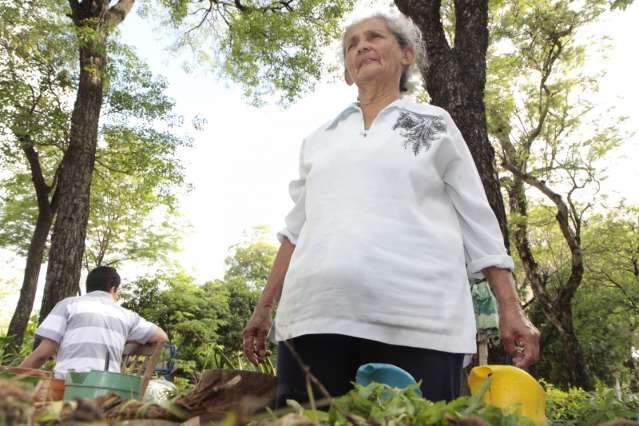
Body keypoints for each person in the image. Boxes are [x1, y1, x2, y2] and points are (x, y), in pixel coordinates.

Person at [243, 12, 540, 405]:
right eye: (352, 44)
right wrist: (264, 309)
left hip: (419, 322)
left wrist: (510, 307)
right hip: (314, 321)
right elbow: (295, 230)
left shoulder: (435, 124)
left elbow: (478, 220)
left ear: (406, 55)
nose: (361, 46)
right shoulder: (320, 139)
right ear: (348, 72)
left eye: (374, 37)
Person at [20, 266, 168, 379]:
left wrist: (10, 379)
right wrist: (125, 337)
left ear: (88, 287)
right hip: (107, 391)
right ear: (113, 289)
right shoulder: (127, 315)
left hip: (66, 387)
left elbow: (42, 354)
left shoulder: (69, 305)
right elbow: (162, 337)